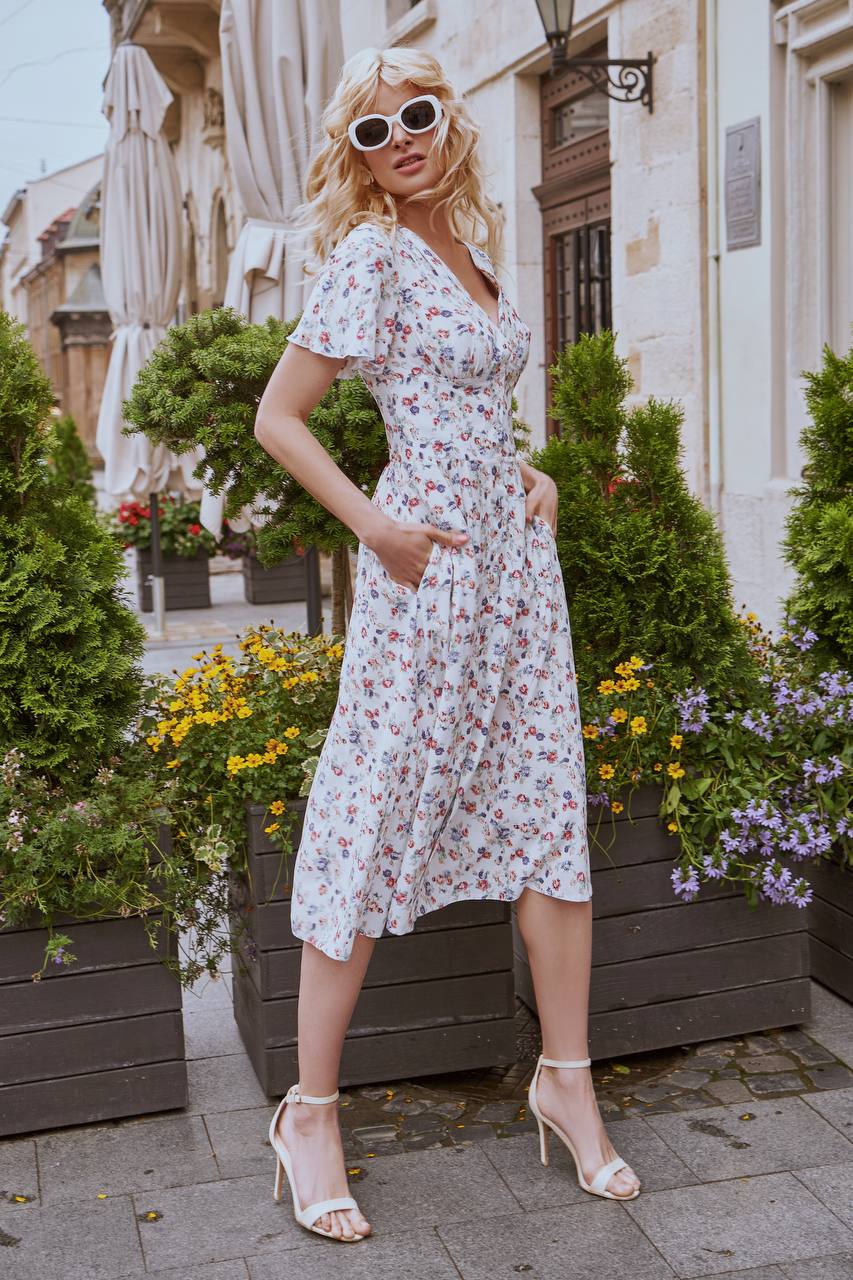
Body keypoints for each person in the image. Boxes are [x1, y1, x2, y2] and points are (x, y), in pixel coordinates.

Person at [254, 44, 641, 1245]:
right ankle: (308, 1111)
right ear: (356, 158)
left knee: (544, 812)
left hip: (517, 579)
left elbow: (464, 401)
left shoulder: (467, 247)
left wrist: (526, 471)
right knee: (373, 813)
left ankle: (565, 1076)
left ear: (446, 121)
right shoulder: (369, 253)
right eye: (374, 132)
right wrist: (374, 523)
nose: (401, 139)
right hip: (425, 578)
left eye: (416, 115)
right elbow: (280, 416)